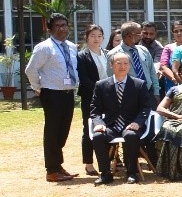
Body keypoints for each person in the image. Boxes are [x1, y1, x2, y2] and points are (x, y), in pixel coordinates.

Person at [88, 53, 158, 185]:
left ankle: (131, 172)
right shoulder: (101, 85)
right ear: (111, 65)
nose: (122, 66)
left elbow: (146, 107)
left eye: (126, 63)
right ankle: (105, 174)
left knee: (131, 136)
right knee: (98, 136)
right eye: (118, 63)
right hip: (111, 124)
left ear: (129, 65)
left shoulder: (139, 84)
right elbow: (94, 109)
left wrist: (137, 122)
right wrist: (98, 123)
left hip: (130, 124)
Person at [27, 14, 81, 182]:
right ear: (50, 29)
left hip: (68, 92)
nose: (62, 28)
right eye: (58, 26)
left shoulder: (72, 47)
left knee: (63, 130)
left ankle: (58, 165)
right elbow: (31, 70)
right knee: (52, 131)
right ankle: (51, 170)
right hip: (51, 92)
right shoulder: (44, 47)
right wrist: (38, 87)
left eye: (64, 25)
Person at [76, 24, 110, 177]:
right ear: (86, 37)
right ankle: (89, 163)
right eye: (93, 36)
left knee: (108, 126)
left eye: (99, 36)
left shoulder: (108, 54)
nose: (96, 39)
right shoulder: (82, 56)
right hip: (90, 97)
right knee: (89, 128)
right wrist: (101, 89)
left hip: (109, 97)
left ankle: (109, 160)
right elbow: (84, 79)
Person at [108, 22, 160, 97]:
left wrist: (156, 92)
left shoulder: (143, 50)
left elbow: (152, 72)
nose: (141, 36)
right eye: (139, 34)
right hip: (127, 95)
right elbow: (111, 78)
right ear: (129, 35)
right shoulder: (114, 54)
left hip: (148, 93)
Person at [157, 21, 182, 95]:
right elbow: (164, 66)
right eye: (176, 31)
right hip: (173, 83)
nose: (179, 33)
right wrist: (176, 80)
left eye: (181, 30)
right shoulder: (169, 48)